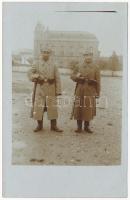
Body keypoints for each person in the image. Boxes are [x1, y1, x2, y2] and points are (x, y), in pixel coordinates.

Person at [28, 46, 63, 132]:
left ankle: (54, 126)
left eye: (47, 53)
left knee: (52, 108)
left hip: (51, 89)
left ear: (50, 54)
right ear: (41, 53)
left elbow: (58, 78)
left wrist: (58, 91)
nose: (46, 54)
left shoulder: (54, 65)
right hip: (40, 89)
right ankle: (39, 126)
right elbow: (29, 73)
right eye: (44, 52)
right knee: (39, 108)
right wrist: (36, 76)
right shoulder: (37, 63)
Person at [71, 50, 100, 133]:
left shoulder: (96, 67)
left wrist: (97, 93)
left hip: (90, 90)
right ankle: (79, 127)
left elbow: (98, 81)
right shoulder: (78, 66)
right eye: (86, 55)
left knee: (88, 109)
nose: (88, 57)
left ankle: (87, 127)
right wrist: (78, 78)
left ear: (92, 56)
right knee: (78, 108)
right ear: (84, 56)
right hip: (80, 89)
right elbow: (72, 76)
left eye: (90, 55)